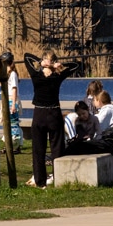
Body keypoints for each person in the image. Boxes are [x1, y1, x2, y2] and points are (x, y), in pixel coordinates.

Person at [24, 51, 80, 187]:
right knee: (50, 148)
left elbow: (27, 58)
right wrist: (46, 63)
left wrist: (48, 64)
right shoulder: (46, 75)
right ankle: (44, 180)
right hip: (48, 113)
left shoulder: (54, 75)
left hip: (45, 113)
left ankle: (46, 180)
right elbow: (75, 65)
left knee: (48, 149)